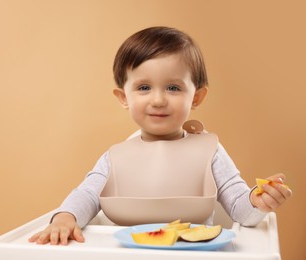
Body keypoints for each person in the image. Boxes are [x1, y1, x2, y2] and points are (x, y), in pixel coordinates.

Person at [28, 26, 292, 245]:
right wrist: (64, 217)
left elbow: (240, 209)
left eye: (173, 87)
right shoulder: (116, 158)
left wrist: (258, 202)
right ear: (124, 98)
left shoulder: (210, 151)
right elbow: (86, 195)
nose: (158, 99)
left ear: (196, 97)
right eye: (144, 87)